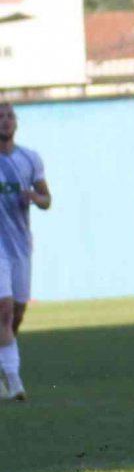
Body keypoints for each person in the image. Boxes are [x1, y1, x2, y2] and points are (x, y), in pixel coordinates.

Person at [0, 102, 51, 402]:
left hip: (20, 246)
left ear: (16, 123)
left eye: (9, 116)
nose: (5, 122)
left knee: (16, 314)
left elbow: (47, 199)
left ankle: (5, 365)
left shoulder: (29, 159)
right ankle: (15, 382)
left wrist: (34, 196)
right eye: (0, 117)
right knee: (4, 310)